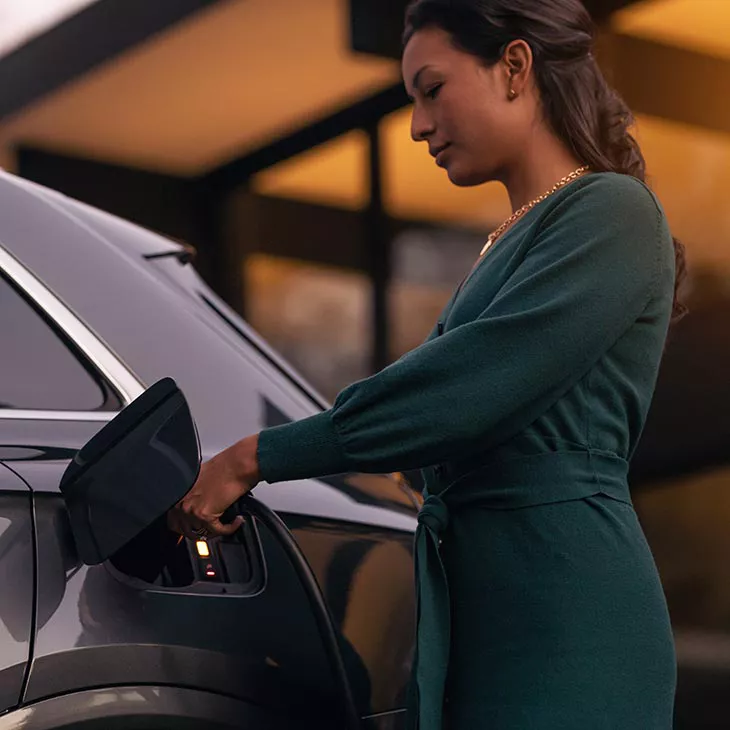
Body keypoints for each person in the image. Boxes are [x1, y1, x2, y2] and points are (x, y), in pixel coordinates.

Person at [167, 0, 687, 727]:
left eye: (432, 89)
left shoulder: (614, 212)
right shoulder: (505, 245)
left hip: (569, 616)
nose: (416, 125)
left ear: (514, 67)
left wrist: (258, 455)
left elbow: (457, 391)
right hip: (476, 615)